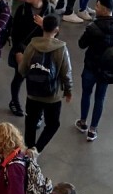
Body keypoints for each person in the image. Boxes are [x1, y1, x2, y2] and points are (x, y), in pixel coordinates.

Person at [75, 0, 113, 141]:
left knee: (86, 94)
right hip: (107, 69)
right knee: (100, 98)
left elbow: (81, 44)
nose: (95, 8)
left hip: (91, 66)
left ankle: (83, 122)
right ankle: (93, 130)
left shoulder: (93, 27)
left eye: (97, 6)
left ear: (104, 9)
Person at [18, 15, 73, 152]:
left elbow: (23, 70)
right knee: (53, 124)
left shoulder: (32, 45)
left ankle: (29, 149)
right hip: (52, 96)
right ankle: (37, 149)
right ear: (57, 29)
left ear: (42, 27)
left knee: (30, 123)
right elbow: (66, 73)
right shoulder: (61, 49)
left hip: (33, 93)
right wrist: (68, 91)